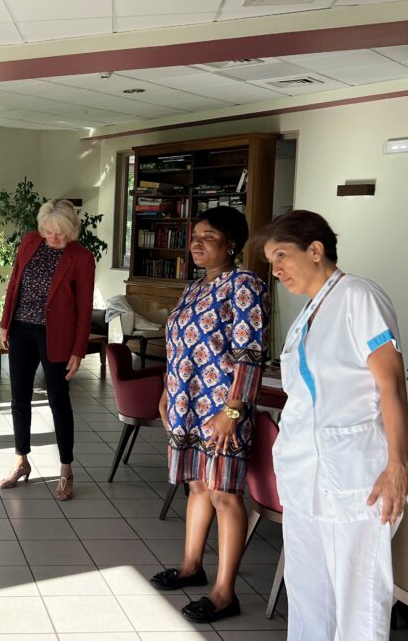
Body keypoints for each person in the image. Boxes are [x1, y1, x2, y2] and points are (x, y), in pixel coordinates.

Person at [256, 209, 408, 640]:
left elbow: (392, 386)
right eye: (270, 262)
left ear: (315, 250)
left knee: (358, 598)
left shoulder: (358, 296)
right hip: (305, 477)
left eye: (281, 257)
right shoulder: (310, 313)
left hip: (356, 477)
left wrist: (396, 466)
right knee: (308, 592)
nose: (275, 271)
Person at [148, 206, 270, 623]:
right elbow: (178, 345)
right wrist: (167, 391)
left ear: (231, 244)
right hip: (188, 405)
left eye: (209, 237)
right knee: (198, 486)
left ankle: (224, 593)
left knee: (224, 494)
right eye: (194, 235)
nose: (197, 243)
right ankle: (191, 566)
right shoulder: (194, 287)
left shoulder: (246, 285)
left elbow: (250, 354)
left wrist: (233, 411)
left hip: (222, 409)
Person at [0, 199, 95, 502]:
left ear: (71, 229)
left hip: (56, 336)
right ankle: (21, 461)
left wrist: (78, 350)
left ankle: (66, 470)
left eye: (60, 233)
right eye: (48, 232)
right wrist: (5, 323)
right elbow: (14, 283)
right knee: (19, 399)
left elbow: (83, 308)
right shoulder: (29, 242)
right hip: (21, 329)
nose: (53, 238)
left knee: (58, 401)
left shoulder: (82, 257)